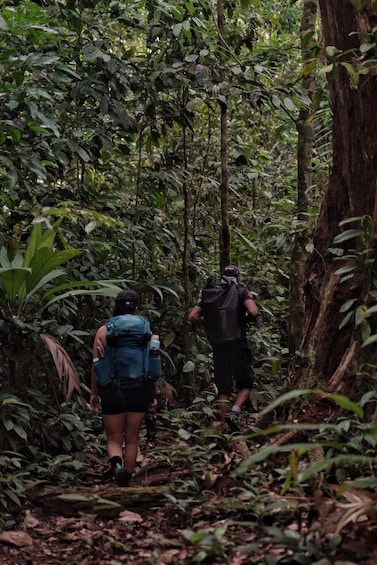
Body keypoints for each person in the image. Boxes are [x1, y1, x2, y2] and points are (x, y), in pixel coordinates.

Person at [90, 290, 157, 486]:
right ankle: (127, 475)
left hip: (111, 389)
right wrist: (152, 394)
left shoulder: (103, 331)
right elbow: (151, 363)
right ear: (137, 307)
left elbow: (96, 365)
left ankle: (118, 468)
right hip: (139, 389)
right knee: (133, 438)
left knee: (113, 438)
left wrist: (95, 393)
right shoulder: (146, 332)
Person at [188, 265, 258, 430]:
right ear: (238, 278)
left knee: (224, 388)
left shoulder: (212, 295)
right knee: (246, 384)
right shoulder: (240, 292)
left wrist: (214, 322)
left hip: (219, 346)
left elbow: (192, 316)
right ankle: (235, 412)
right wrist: (240, 318)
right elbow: (254, 312)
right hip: (238, 344)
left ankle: (224, 424)